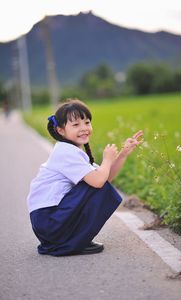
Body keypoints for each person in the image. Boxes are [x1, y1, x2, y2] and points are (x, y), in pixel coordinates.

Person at [27, 99, 143, 256]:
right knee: (97, 185)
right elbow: (98, 181)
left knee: (99, 185)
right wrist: (107, 159)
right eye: (75, 125)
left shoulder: (71, 151)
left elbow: (104, 178)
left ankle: (73, 239)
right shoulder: (65, 152)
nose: (84, 128)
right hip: (49, 220)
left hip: (50, 221)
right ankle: (73, 241)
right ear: (61, 131)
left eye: (87, 122)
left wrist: (123, 154)